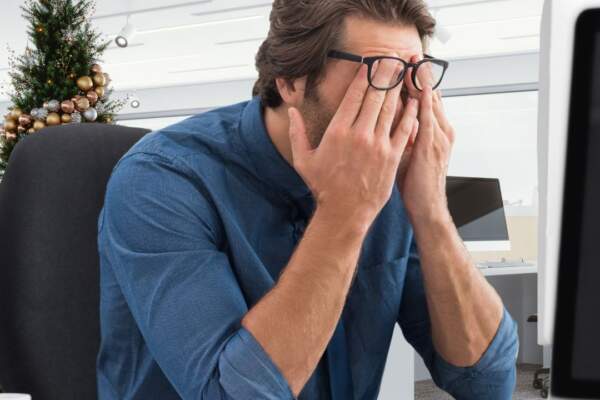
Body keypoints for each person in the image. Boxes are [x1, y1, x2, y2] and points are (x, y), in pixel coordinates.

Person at [96, 0, 519, 399]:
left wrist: (430, 212)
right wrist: (343, 213)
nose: (403, 99)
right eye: (378, 72)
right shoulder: (162, 179)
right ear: (291, 80)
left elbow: (485, 383)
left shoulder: (394, 180)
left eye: (415, 74)